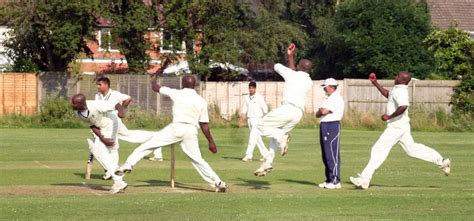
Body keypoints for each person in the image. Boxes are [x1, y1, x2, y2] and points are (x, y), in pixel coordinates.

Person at [115, 75, 227, 192]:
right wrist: (211, 142)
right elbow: (204, 124)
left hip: (176, 127)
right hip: (191, 130)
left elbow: (157, 88)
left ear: (182, 84)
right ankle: (218, 182)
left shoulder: (176, 93)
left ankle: (129, 164)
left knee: (149, 144)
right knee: (198, 160)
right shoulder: (201, 101)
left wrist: (153, 81)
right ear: (194, 85)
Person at [350, 71, 451, 190]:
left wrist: (389, 116)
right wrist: (375, 83)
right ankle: (442, 161)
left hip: (396, 127)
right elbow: (388, 95)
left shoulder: (401, 91)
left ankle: (364, 179)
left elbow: (403, 106)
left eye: (397, 76)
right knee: (412, 149)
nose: (395, 77)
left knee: (378, 149)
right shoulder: (397, 89)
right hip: (402, 125)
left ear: (403, 80)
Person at [250, 43, 313, 177]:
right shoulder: (309, 81)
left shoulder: (291, 74)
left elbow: (277, 66)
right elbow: (293, 70)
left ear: (300, 67)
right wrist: (291, 56)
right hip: (298, 114)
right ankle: (267, 163)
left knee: (259, 126)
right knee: (274, 137)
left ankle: (282, 137)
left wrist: (288, 56)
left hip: (287, 109)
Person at [86, 77, 163, 180]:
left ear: (106, 85)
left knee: (110, 145)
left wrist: (121, 110)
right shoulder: (98, 96)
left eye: (99, 84)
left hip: (114, 122)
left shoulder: (115, 94)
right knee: (127, 136)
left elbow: (128, 98)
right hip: (105, 123)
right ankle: (155, 137)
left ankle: (111, 171)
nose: (97, 86)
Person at [71, 94, 128, 194]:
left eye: (75, 103)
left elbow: (116, 104)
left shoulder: (95, 105)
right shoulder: (77, 113)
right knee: (102, 152)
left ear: (82, 103)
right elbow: (92, 125)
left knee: (100, 151)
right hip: (102, 128)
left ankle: (119, 180)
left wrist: (121, 112)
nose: (72, 105)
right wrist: (102, 137)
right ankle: (118, 180)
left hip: (111, 123)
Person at [315, 78, 344, 189]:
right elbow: (318, 114)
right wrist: (322, 110)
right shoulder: (328, 98)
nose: (324, 89)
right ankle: (329, 179)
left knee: (332, 152)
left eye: (325, 87)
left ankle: (335, 180)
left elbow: (322, 111)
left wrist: (322, 110)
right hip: (324, 125)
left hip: (332, 125)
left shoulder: (336, 98)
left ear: (332, 87)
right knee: (325, 154)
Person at [239, 81, 268, 162]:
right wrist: (242, 117)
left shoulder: (259, 97)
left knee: (252, 137)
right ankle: (266, 155)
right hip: (250, 119)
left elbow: (264, 107)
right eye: (250, 88)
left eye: (252, 88)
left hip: (257, 119)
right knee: (257, 138)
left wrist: (265, 117)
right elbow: (244, 108)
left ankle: (248, 155)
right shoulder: (247, 97)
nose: (251, 89)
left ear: (255, 88)